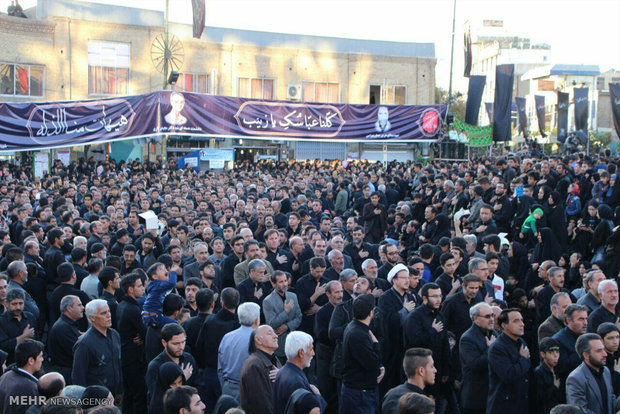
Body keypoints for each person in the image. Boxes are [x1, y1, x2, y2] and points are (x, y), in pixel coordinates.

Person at [341, 294, 384, 414]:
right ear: (371, 313)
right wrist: (376, 344)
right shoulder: (358, 334)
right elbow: (372, 363)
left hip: (358, 391)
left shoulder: (355, 328)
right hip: (359, 393)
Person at [72, 299, 123, 400]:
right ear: (92, 318)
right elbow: (78, 377)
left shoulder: (114, 335)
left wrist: (119, 391)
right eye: (104, 313)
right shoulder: (84, 344)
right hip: (95, 400)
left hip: (113, 396)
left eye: (109, 311)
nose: (109, 315)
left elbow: (118, 364)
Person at [377, 263, 416, 393]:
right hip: (392, 347)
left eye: (408, 277)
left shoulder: (410, 296)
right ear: (394, 280)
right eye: (403, 277)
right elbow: (388, 322)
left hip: (407, 346)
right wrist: (404, 310)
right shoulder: (386, 297)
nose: (407, 280)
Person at [487, 308, 531, 414]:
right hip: (504, 407)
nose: (522, 324)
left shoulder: (521, 342)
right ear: (504, 325)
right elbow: (508, 375)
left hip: (522, 404)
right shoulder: (497, 348)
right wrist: (523, 359)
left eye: (522, 320)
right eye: (516, 321)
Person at [116, 273, 147, 414]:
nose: (143, 288)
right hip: (133, 357)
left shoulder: (123, 304)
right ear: (130, 289)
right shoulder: (132, 309)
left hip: (125, 355)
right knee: (139, 393)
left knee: (129, 393)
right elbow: (145, 332)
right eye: (139, 286)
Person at [459, 302, 498, 414]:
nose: (491, 319)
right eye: (487, 316)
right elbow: (475, 364)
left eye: (492, 315)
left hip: (492, 395)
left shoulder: (494, 333)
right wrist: (491, 349)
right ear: (476, 319)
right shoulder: (467, 338)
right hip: (475, 398)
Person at [273, 331, 324, 414]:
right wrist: (318, 396)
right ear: (301, 353)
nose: (313, 353)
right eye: (311, 349)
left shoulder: (283, 372)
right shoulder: (296, 382)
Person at [218, 302, 260, 399]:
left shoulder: (227, 337)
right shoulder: (258, 340)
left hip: (228, 387)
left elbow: (220, 368)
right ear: (257, 320)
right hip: (250, 390)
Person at [146, 323, 196, 404]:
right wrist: (182, 379)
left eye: (183, 342)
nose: (181, 347)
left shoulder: (188, 359)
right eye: (176, 344)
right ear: (164, 343)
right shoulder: (155, 366)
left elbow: (196, 386)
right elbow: (156, 398)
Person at [566, 333, 616, 414]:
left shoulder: (606, 371)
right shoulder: (575, 378)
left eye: (604, 349)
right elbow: (579, 411)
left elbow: (611, 400)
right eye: (599, 351)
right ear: (586, 355)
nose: (605, 354)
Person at [239, 325, 281, 414]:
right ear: (258, 340)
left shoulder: (273, 359)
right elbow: (262, 405)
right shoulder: (254, 365)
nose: (276, 336)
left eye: (274, 332)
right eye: (270, 334)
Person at [382, 348, 436, 414]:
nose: (435, 370)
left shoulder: (393, 393)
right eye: (432, 366)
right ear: (421, 371)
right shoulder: (404, 399)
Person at [263, 270, 302, 361]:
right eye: (281, 282)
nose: (285, 284)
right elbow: (271, 323)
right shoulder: (268, 301)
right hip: (279, 345)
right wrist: (286, 312)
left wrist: (287, 326)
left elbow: (299, 317)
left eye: (285, 280)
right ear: (273, 284)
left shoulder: (293, 296)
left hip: (294, 343)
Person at [0, 339, 44, 414]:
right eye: (40, 356)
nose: (42, 359)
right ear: (31, 360)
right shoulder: (31, 388)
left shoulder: (6, 376)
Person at [47, 295, 84, 383]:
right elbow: (78, 350)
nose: (83, 307)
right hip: (66, 374)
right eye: (79, 305)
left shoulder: (68, 325)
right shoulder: (63, 328)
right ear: (69, 308)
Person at [0, 289, 37, 365]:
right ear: (6, 303)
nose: (18, 307)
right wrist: (23, 337)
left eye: (21, 303)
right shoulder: (1, 321)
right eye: (14, 304)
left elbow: (36, 341)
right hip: (10, 365)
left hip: (30, 364)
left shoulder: (30, 317)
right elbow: (3, 347)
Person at [553, 304, 589, 382]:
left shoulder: (588, 336)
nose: (585, 323)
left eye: (586, 319)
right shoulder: (558, 340)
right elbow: (562, 367)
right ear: (569, 320)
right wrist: (584, 351)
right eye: (581, 319)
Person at [142, 262, 178, 328]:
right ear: (155, 276)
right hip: (153, 316)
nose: (166, 271)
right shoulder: (157, 284)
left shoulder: (154, 285)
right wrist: (173, 272)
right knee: (175, 324)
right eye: (162, 269)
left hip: (148, 316)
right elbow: (171, 283)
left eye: (166, 269)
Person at [534, 337, 563, 414]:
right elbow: (539, 398)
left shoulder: (559, 370)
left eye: (557, 352)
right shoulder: (539, 373)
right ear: (543, 354)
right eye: (551, 352)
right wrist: (554, 387)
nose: (555, 355)